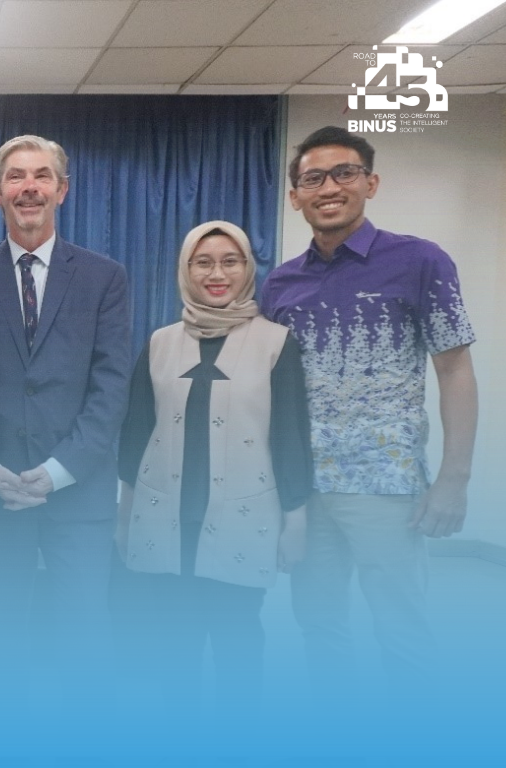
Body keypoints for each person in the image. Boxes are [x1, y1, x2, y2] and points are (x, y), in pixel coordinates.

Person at [261, 126, 478, 700]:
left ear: (370, 183)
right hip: (305, 485)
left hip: (386, 485)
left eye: (344, 173)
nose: (329, 188)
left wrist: (453, 479)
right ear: (295, 197)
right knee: (318, 623)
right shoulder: (280, 283)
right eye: (313, 178)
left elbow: (455, 369)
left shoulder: (420, 260)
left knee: (401, 627)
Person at [0, 135, 131, 715]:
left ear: (62, 190)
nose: (29, 187)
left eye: (42, 175)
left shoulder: (105, 278)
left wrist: (58, 471)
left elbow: (111, 387)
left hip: (79, 490)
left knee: (84, 635)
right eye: (16, 176)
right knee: (0, 635)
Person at [116, 220, 312, 708]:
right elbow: (136, 433)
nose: (217, 274)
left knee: (237, 640)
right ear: (186, 270)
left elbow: (289, 435)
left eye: (230, 262)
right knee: (174, 642)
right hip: (166, 517)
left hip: (244, 519)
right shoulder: (160, 343)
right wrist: (125, 515)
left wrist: (296, 520)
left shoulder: (276, 343)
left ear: (248, 268)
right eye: (203, 262)